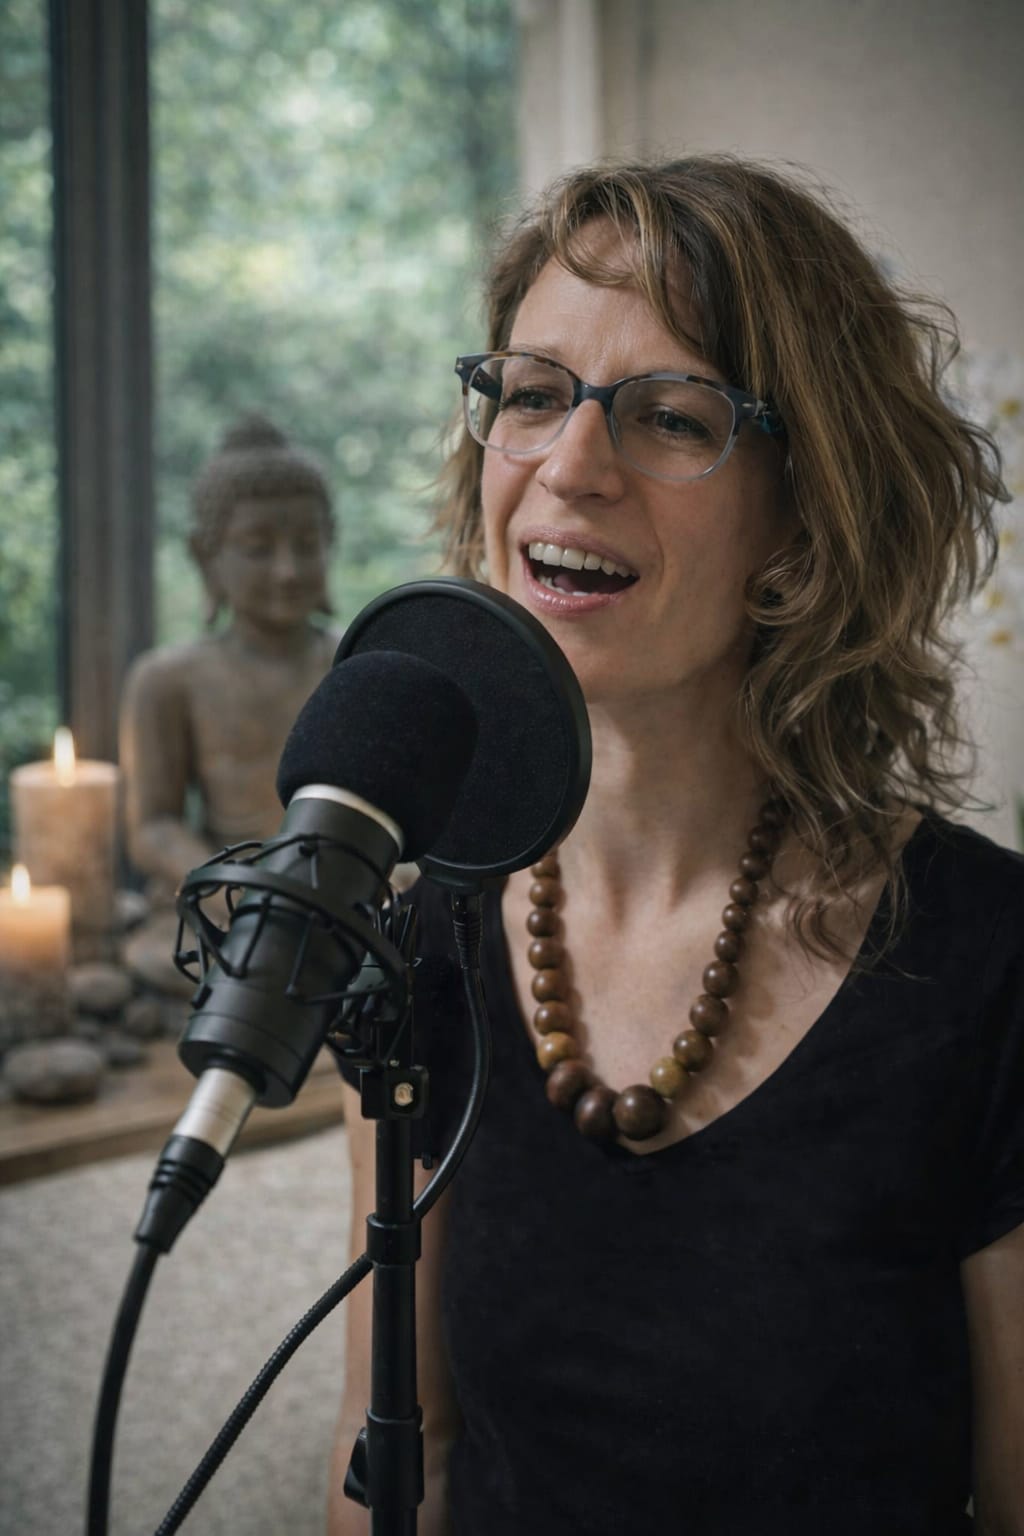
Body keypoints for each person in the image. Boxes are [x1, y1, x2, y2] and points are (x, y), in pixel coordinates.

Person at [328, 157, 1024, 1535]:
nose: (569, 467)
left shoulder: (989, 963)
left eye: (673, 417)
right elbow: (391, 1461)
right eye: (531, 395)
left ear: (804, 515)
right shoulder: (422, 938)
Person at [120, 414, 338, 993]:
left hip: (340, 895)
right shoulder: (168, 679)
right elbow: (154, 828)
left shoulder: (353, 664)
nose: (288, 569)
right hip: (229, 898)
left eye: (307, 544)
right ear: (205, 555)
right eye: (258, 548)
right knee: (172, 954)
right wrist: (236, 881)